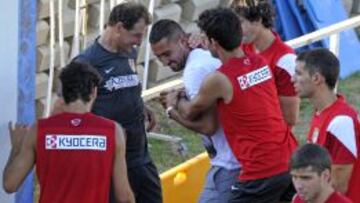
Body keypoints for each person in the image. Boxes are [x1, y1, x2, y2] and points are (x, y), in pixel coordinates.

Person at [165, 8, 296, 202]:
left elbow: (190, 111)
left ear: (213, 43)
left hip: (260, 171)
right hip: (289, 160)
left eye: (204, 38)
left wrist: (171, 105)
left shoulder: (219, 79)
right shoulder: (259, 61)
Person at [2, 62, 134, 203]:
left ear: (62, 92)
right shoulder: (113, 132)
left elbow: (10, 185)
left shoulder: (39, 130)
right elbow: (124, 197)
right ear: (94, 92)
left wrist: (16, 147)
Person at [73, 2, 162, 202]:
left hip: (140, 157)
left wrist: (141, 106)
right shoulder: (86, 63)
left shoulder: (129, 52)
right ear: (119, 27)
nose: (139, 42)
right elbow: (72, 115)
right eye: (137, 35)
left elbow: (125, 85)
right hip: (110, 164)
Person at [150, 19, 240, 203]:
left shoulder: (194, 70)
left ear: (183, 41)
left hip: (230, 164)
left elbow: (209, 126)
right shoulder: (207, 56)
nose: (165, 62)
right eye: (159, 58)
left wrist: (170, 111)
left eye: (167, 54)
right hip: (237, 157)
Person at [292, 48, 360, 202]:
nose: (292, 79)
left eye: (298, 73)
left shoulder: (340, 121)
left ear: (316, 78)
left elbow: (339, 187)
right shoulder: (321, 113)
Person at [231, 0, 300, 127]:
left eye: (240, 22)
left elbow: (290, 118)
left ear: (257, 20)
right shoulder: (243, 47)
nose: (235, 29)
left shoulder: (285, 60)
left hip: (272, 139)